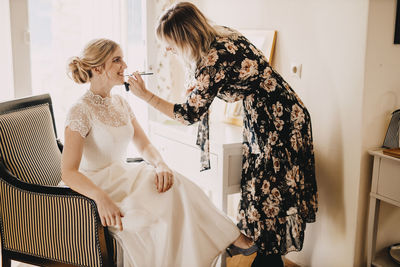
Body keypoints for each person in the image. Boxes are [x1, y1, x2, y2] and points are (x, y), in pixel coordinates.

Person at [126, 2, 318, 266]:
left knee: (270, 196)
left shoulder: (212, 60)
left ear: (185, 37)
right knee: (265, 193)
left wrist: (146, 95)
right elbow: (220, 83)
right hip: (275, 111)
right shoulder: (222, 36)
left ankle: (267, 259)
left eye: (170, 42)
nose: (168, 49)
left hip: (278, 121)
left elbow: (188, 114)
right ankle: (264, 255)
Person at [61, 38, 257, 267]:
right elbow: (68, 172)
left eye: (122, 58)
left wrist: (160, 164)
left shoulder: (121, 104)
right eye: (117, 60)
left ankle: (232, 236)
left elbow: (144, 145)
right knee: (154, 220)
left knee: (174, 184)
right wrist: (101, 198)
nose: (124, 65)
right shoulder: (80, 110)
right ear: (97, 68)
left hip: (123, 178)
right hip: (96, 188)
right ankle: (233, 238)